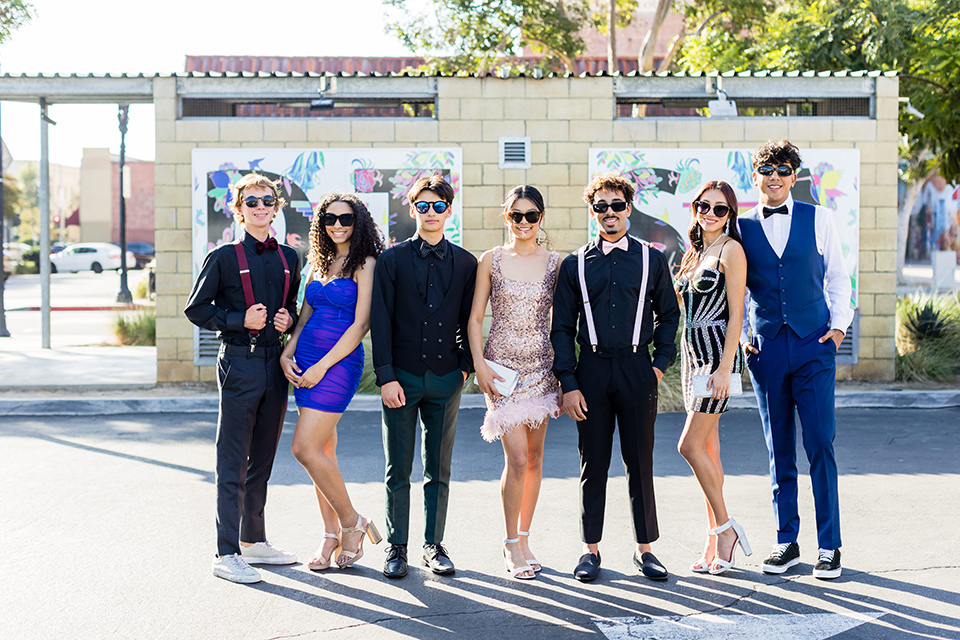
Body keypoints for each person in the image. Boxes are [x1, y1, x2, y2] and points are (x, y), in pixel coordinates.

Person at [551, 172, 681, 583]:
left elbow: (669, 315)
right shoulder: (574, 264)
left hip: (636, 368)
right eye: (601, 207)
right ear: (593, 212)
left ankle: (645, 550)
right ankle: (590, 549)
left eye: (617, 205)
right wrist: (568, 382)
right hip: (590, 370)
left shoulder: (651, 259)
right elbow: (561, 327)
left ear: (629, 207)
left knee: (640, 461)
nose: (609, 213)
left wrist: (658, 365)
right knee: (594, 463)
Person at [739, 140, 854, 580]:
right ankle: (786, 540)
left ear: (794, 176)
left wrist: (839, 328)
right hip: (766, 349)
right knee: (779, 447)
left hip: (813, 345)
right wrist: (745, 333)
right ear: (756, 177)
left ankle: (829, 546)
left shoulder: (819, 218)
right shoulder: (742, 226)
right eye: (766, 169)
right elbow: (738, 290)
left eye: (782, 169)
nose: (774, 176)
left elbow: (839, 278)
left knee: (821, 442)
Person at [184, 173, 301, 584]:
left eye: (267, 200)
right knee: (232, 459)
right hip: (239, 361)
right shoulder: (224, 257)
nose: (260, 207)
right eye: (251, 202)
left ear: (276, 205)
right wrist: (237, 319)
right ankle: (226, 551)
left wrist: (289, 318)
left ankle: (253, 541)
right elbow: (195, 309)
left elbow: (290, 306)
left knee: (263, 458)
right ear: (239, 209)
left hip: (275, 366)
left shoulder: (290, 257)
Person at [371, 173, 478, 579]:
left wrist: (464, 367)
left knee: (439, 466)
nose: (430, 213)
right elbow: (380, 322)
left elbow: (471, 319)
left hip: (446, 378)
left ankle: (433, 544)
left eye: (438, 206)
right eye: (423, 205)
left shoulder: (467, 263)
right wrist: (386, 377)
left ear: (448, 210)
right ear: (412, 208)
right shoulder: (391, 260)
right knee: (397, 468)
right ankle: (397, 547)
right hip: (401, 377)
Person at [279, 193, 385, 571]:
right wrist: (287, 353)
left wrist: (322, 367)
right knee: (323, 454)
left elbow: (361, 324)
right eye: (329, 219)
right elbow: (304, 318)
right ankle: (329, 536)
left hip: (336, 366)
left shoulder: (366, 263)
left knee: (304, 448)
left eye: (345, 218)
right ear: (320, 223)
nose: (337, 225)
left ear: (358, 223)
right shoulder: (317, 261)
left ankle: (352, 522)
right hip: (304, 362)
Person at [467, 185, 561, 581]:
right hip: (502, 371)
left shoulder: (557, 263)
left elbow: (563, 318)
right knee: (517, 459)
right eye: (516, 215)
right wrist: (480, 367)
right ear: (506, 217)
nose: (523, 223)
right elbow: (474, 319)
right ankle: (509, 543)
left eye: (531, 215)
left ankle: (524, 538)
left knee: (536, 459)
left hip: (543, 367)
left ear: (541, 218)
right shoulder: (490, 260)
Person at [674, 181, 751, 575]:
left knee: (688, 447)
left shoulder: (731, 250)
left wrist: (724, 367)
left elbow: (736, 312)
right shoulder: (696, 252)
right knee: (710, 450)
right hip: (693, 356)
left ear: (730, 215)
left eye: (720, 209)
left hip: (715, 359)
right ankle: (712, 544)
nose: (710, 213)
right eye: (704, 206)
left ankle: (725, 529)